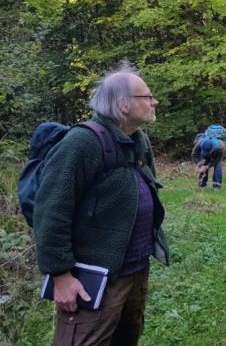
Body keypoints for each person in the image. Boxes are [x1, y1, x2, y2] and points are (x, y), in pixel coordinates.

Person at [32, 64, 168, 345]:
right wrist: (60, 275)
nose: (154, 101)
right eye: (147, 96)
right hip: (94, 279)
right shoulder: (82, 143)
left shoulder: (138, 141)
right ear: (123, 105)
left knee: (126, 339)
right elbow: (51, 211)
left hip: (134, 271)